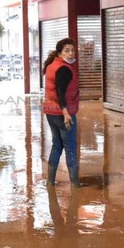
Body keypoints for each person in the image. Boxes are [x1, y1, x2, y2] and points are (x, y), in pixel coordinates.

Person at [42, 37, 82, 188]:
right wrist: (66, 113)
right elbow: (61, 92)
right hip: (63, 114)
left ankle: (50, 182)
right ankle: (75, 185)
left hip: (50, 113)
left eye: (72, 50)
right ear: (59, 53)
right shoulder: (64, 69)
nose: (71, 53)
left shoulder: (53, 65)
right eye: (67, 51)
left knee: (57, 145)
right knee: (70, 147)